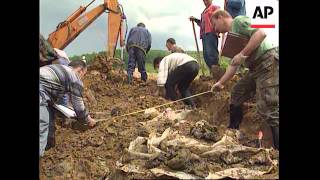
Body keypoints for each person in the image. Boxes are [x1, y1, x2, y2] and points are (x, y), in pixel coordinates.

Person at [210, 10, 279, 149]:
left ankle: (277, 150)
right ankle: (233, 131)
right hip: (255, 69)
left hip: (267, 63)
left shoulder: (238, 21)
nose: (215, 30)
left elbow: (261, 33)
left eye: (214, 24)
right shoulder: (232, 38)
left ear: (220, 17)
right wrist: (220, 83)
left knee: (268, 107)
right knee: (237, 92)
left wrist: (242, 53)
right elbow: (233, 64)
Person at [39, 60, 96, 156]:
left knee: (49, 117)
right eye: (84, 74)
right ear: (80, 71)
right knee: (42, 126)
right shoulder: (74, 77)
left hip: (44, 94)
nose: (82, 77)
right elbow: (79, 107)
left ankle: (48, 149)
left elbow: (53, 94)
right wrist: (88, 120)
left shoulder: (60, 69)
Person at [189, 0, 224, 80]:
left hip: (211, 32)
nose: (205, 2)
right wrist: (195, 20)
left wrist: (219, 29)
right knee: (206, 55)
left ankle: (217, 74)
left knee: (211, 53)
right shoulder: (204, 11)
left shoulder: (215, 8)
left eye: (207, 0)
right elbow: (202, 23)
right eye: (204, 0)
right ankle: (212, 73)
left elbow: (220, 19)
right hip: (204, 34)